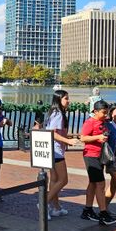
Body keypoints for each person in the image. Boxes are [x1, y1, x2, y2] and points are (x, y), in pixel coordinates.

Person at [79, 100, 116, 226]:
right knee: (100, 184)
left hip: (100, 155)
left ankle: (88, 210)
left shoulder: (104, 121)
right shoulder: (90, 122)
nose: (105, 114)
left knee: (93, 183)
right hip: (91, 155)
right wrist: (98, 137)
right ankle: (103, 213)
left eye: (107, 112)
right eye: (103, 112)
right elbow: (83, 138)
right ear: (95, 111)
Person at [43, 90, 79, 219]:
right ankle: (44, 204)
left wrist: (68, 138)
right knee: (63, 180)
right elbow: (52, 132)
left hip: (51, 149)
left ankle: (56, 207)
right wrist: (68, 141)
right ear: (59, 99)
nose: (68, 101)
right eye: (66, 98)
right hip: (56, 151)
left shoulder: (53, 112)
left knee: (54, 179)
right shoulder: (58, 113)